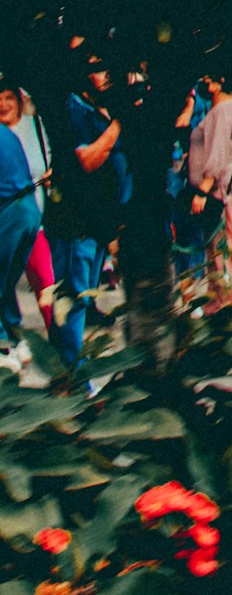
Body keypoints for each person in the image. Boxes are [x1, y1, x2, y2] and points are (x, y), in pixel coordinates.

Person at [46, 58, 128, 370]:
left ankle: (70, 363)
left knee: (85, 294)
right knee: (74, 297)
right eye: (97, 68)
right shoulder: (75, 109)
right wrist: (120, 125)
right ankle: (73, 372)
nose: (106, 76)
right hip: (78, 220)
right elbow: (88, 160)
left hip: (101, 221)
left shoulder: (100, 108)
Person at [185, 71, 232, 311]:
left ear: (223, 79)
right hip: (219, 187)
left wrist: (203, 191)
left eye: (210, 75)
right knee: (216, 244)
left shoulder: (223, 111)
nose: (204, 79)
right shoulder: (222, 108)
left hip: (219, 189)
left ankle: (223, 301)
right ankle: (217, 298)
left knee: (223, 243)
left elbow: (217, 154)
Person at [0, 94, 43, 370]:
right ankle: (17, 340)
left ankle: (4, 347)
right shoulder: (6, 133)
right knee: (6, 283)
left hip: (12, 211)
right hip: (28, 210)